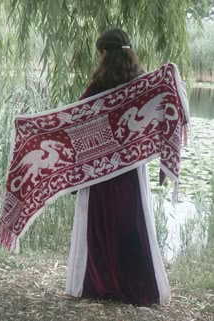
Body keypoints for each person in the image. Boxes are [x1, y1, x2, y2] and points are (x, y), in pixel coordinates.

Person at [65, 28, 170, 306]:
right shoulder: (141, 84)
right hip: (130, 170)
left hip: (101, 171)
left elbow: (77, 120)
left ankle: (100, 285)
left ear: (104, 54)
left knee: (100, 227)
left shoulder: (98, 87)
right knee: (130, 224)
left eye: (99, 53)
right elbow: (160, 113)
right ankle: (137, 285)